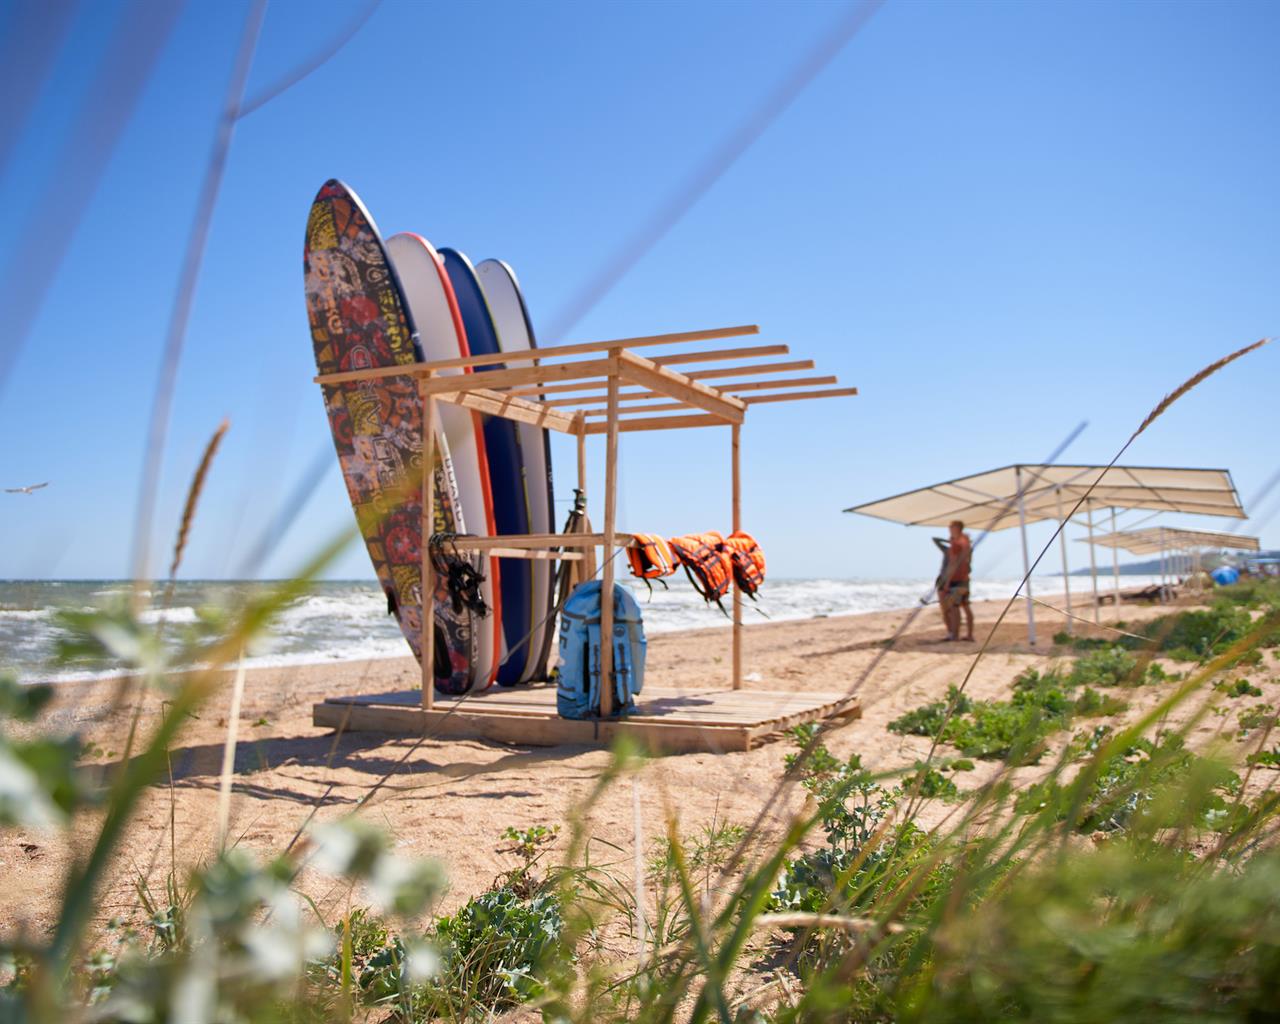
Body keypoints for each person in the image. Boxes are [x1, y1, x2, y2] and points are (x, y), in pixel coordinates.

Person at [936, 519, 973, 641]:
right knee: (964, 606)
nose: (949, 530)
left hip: (956, 579)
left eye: (951, 528)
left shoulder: (958, 544)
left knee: (953, 607)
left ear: (957, 529)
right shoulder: (966, 542)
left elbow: (953, 564)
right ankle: (968, 635)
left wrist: (947, 582)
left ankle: (954, 635)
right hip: (964, 579)